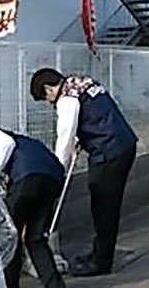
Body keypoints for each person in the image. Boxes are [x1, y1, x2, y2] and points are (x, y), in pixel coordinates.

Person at [30, 69, 137, 277]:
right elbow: (95, 115)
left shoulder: (66, 99)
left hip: (108, 151)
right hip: (123, 144)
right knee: (106, 206)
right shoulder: (83, 83)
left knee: (104, 207)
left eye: (46, 98)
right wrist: (83, 137)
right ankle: (99, 253)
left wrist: (56, 171)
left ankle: (101, 262)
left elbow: (65, 137)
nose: (50, 103)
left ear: (47, 89)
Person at [0, 125, 67, 288]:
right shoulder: (28, 143)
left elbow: (5, 146)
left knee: (10, 234)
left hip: (28, 179)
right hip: (52, 181)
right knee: (36, 239)